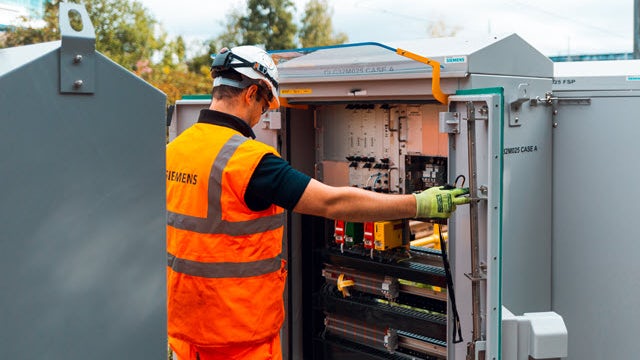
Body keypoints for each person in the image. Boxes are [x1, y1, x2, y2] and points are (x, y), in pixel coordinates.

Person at [166, 45, 470, 360]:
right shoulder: (248, 161)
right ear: (251, 92)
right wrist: (418, 204)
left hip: (186, 335)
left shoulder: (176, 149)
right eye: (267, 104)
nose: (263, 115)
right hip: (238, 338)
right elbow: (332, 202)